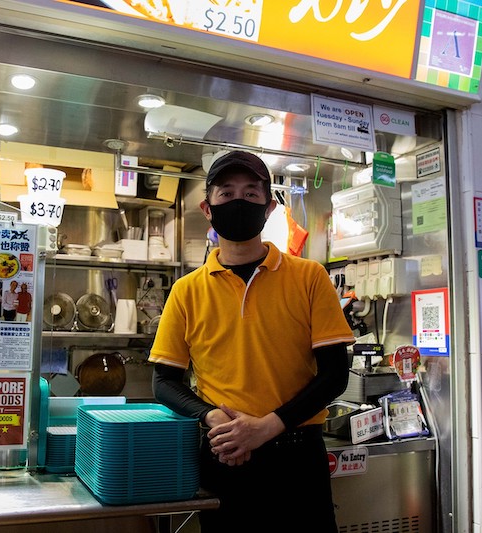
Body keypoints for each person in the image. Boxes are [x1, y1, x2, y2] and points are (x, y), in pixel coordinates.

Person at [149, 151, 355, 532]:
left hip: (296, 455)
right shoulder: (185, 291)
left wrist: (266, 427)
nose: (238, 202)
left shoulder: (310, 278)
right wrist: (213, 419)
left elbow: (334, 375)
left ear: (269, 207)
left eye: (250, 193)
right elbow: (164, 381)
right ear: (207, 208)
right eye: (226, 194)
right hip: (226, 454)